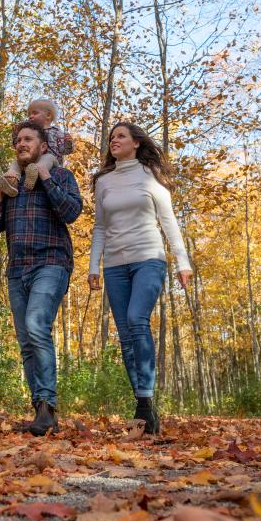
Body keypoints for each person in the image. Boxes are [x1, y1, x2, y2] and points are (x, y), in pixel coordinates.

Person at [87, 122, 194, 435]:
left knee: (137, 321)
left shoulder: (150, 176)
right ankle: (144, 404)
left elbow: (168, 221)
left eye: (120, 136)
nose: (113, 140)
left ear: (136, 142)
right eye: (111, 137)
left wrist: (182, 263)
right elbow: (100, 227)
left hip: (149, 258)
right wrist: (94, 266)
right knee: (125, 335)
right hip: (115, 266)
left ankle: (145, 403)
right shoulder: (104, 181)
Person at [0, 120, 83, 436]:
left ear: (43, 147)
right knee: (27, 341)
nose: (21, 144)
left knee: (37, 326)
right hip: (17, 269)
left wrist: (45, 178)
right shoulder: (11, 183)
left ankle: (47, 406)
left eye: (28, 139)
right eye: (18, 141)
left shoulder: (61, 176)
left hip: (51, 262)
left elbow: (71, 212)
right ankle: (39, 407)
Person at [0, 98, 73, 197]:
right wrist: (15, 135)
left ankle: (34, 174)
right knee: (16, 161)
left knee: (47, 157)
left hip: (51, 162)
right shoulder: (28, 131)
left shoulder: (56, 132)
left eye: (34, 113)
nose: (30, 116)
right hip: (31, 162)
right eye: (29, 114)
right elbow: (18, 147)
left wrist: (68, 143)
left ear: (48, 115)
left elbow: (64, 151)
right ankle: (11, 180)